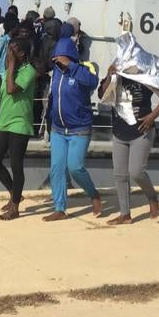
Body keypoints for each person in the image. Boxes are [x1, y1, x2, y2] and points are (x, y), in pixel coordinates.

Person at [99, 60, 159, 225]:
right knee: (120, 174)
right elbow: (102, 95)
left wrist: (152, 116)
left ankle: (152, 198)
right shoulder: (114, 77)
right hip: (119, 130)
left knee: (136, 171)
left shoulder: (145, 77)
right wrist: (110, 75)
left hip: (141, 130)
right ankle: (125, 215)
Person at [44, 23, 102, 221]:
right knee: (57, 168)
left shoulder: (84, 69)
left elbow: (93, 82)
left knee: (75, 167)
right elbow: (53, 98)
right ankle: (59, 207)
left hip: (79, 129)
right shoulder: (56, 74)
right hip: (58, 129)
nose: (57, 62)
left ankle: (93, 194)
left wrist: (71, 66)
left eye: (60, 58)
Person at [0, 38, 37, 221]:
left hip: (20, 123)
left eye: (12, 51)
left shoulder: (29, 71)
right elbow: (4, 99)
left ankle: (15, 206)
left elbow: (10, 89)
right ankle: (14, 192)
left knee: (16, 164)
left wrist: (10, 66)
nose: (9, 53)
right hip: (4, 122)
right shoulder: (10, 70)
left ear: (21, 54)